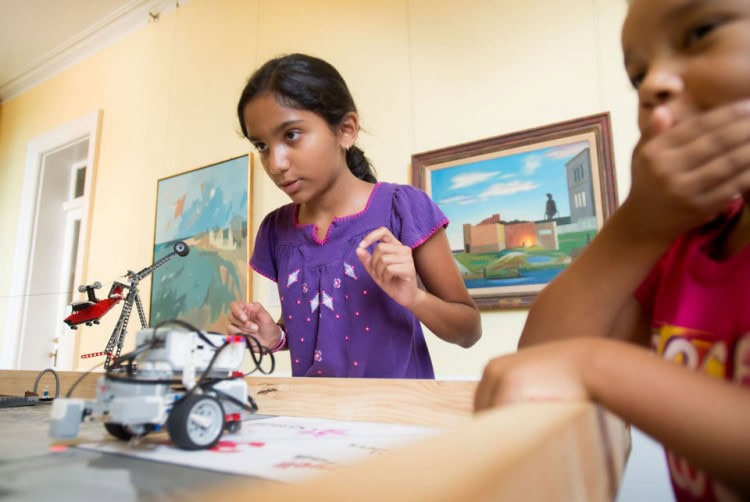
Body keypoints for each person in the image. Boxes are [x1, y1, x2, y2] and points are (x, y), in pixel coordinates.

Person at [474, 0, 750, 499]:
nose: (652, 86)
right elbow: (542, 358)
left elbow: (571, 360)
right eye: (637, 74)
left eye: (701, 32)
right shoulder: (688, 245)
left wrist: (594, 366)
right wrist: (637, 225)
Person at [227, 53, 481, 379]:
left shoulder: (402, 208)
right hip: (314, 422)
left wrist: (415, 298)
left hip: (397, 420)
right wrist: (275, 337)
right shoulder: (276, 231)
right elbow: (314, 333)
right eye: (262, 145)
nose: (275, 163)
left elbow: (469, 331)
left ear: (346, 130)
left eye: (291, 135)